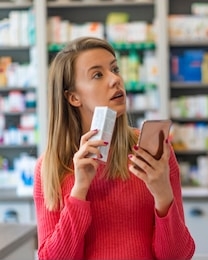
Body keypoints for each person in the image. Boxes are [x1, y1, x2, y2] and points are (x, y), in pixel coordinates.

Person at [33, 36, 195, 260]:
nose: (115, 79)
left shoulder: (149, 152)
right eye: (97, 74)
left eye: (115, 69)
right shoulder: (51, 167)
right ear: (73, 97)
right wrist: (79, 190)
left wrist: (162, 193)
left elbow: (178, 256)